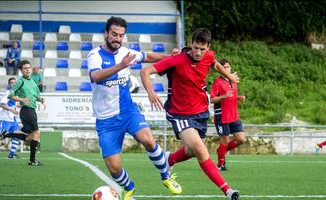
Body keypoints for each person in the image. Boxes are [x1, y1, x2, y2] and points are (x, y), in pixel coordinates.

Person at [87, 16, 181, 200]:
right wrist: (120, 66)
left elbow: (148, 57)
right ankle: (128, 187)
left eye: (121, 35)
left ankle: (166, 177)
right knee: (113, 168)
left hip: (128, 111)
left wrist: (172, 58)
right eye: (114, 34)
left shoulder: (126, 53)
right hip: (106, 120)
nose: (117, 38)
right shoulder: (94, 55)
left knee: (147, 139)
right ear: (106, 33)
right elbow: (95, 76)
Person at [141, 28, 240, 200]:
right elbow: (146, 71)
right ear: (190, 43)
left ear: (208, 47)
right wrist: (151, 92)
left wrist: (229, 76)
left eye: (202, 49)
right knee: (201, 149)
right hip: (179, 114)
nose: (198, 52)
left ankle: (168, 160)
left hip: (200, 112)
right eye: (195, 47)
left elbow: (215, 64)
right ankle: (228, 190)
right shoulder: (177, 59)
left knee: (192, 150)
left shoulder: (208, 56)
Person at [0, 60, 45, 166]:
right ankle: (32, 160)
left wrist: (41, 100)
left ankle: (7, 134)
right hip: (26, 110)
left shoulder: (33, 81)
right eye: (25, 68)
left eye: (29, 67)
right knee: (36, 133)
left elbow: (35, 96)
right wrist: (22, 99)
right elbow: (11, 95)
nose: (27, 69)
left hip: (32, 110)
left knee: (31, 137)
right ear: (21, 70)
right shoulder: (20, 81)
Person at [210, 59, 246, 171]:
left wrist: (239, 98)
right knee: (225, 141)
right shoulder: (217, 82)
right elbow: (212, 99)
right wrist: (223, 97)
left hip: (234, 115)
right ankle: (220, 164)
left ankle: (221, 150)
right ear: (220, 69)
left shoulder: (233, 81)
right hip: (222, 116)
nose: (227, 69)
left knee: (241, 139)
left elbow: (232, 97)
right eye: (224, 67)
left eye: (228, 67)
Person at [0, 77, 21, 159]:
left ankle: (12, 154)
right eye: (12, 83)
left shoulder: (15, 94)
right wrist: (12, 110)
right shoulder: (8, 93)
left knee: (17, 135)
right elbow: (2, 104)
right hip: (5, 119)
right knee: (0, 136)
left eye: (15, 82)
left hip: (13, 120)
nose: (14, 84)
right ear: (9, 84)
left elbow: (15, 104)